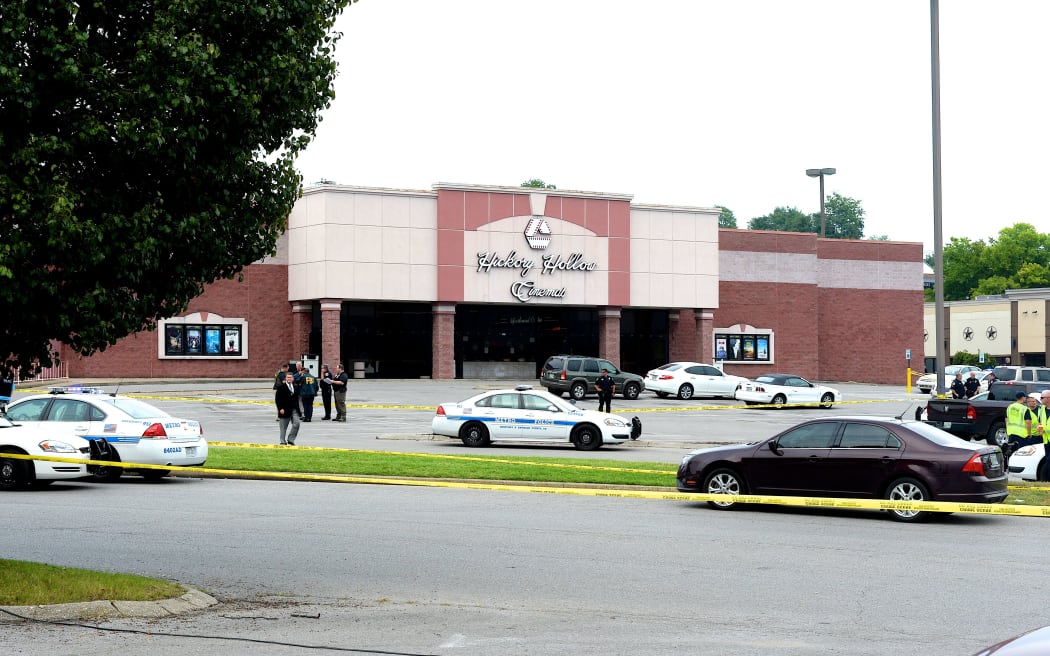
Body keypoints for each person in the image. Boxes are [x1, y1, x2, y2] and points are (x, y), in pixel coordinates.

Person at [274, 372, 301, 445]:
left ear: (293, 378)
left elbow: (297, 398)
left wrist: (300, 409)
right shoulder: (281, 387)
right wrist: (280, 408)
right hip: (284, 409)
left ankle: (291, 439)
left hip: (294, 409)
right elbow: (277, 399)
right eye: (288, 377)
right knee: (283, 427)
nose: (289, 379)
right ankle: (282, 441)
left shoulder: (295, 387)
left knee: (297, 424)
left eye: (290, 377)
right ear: (286, 378)